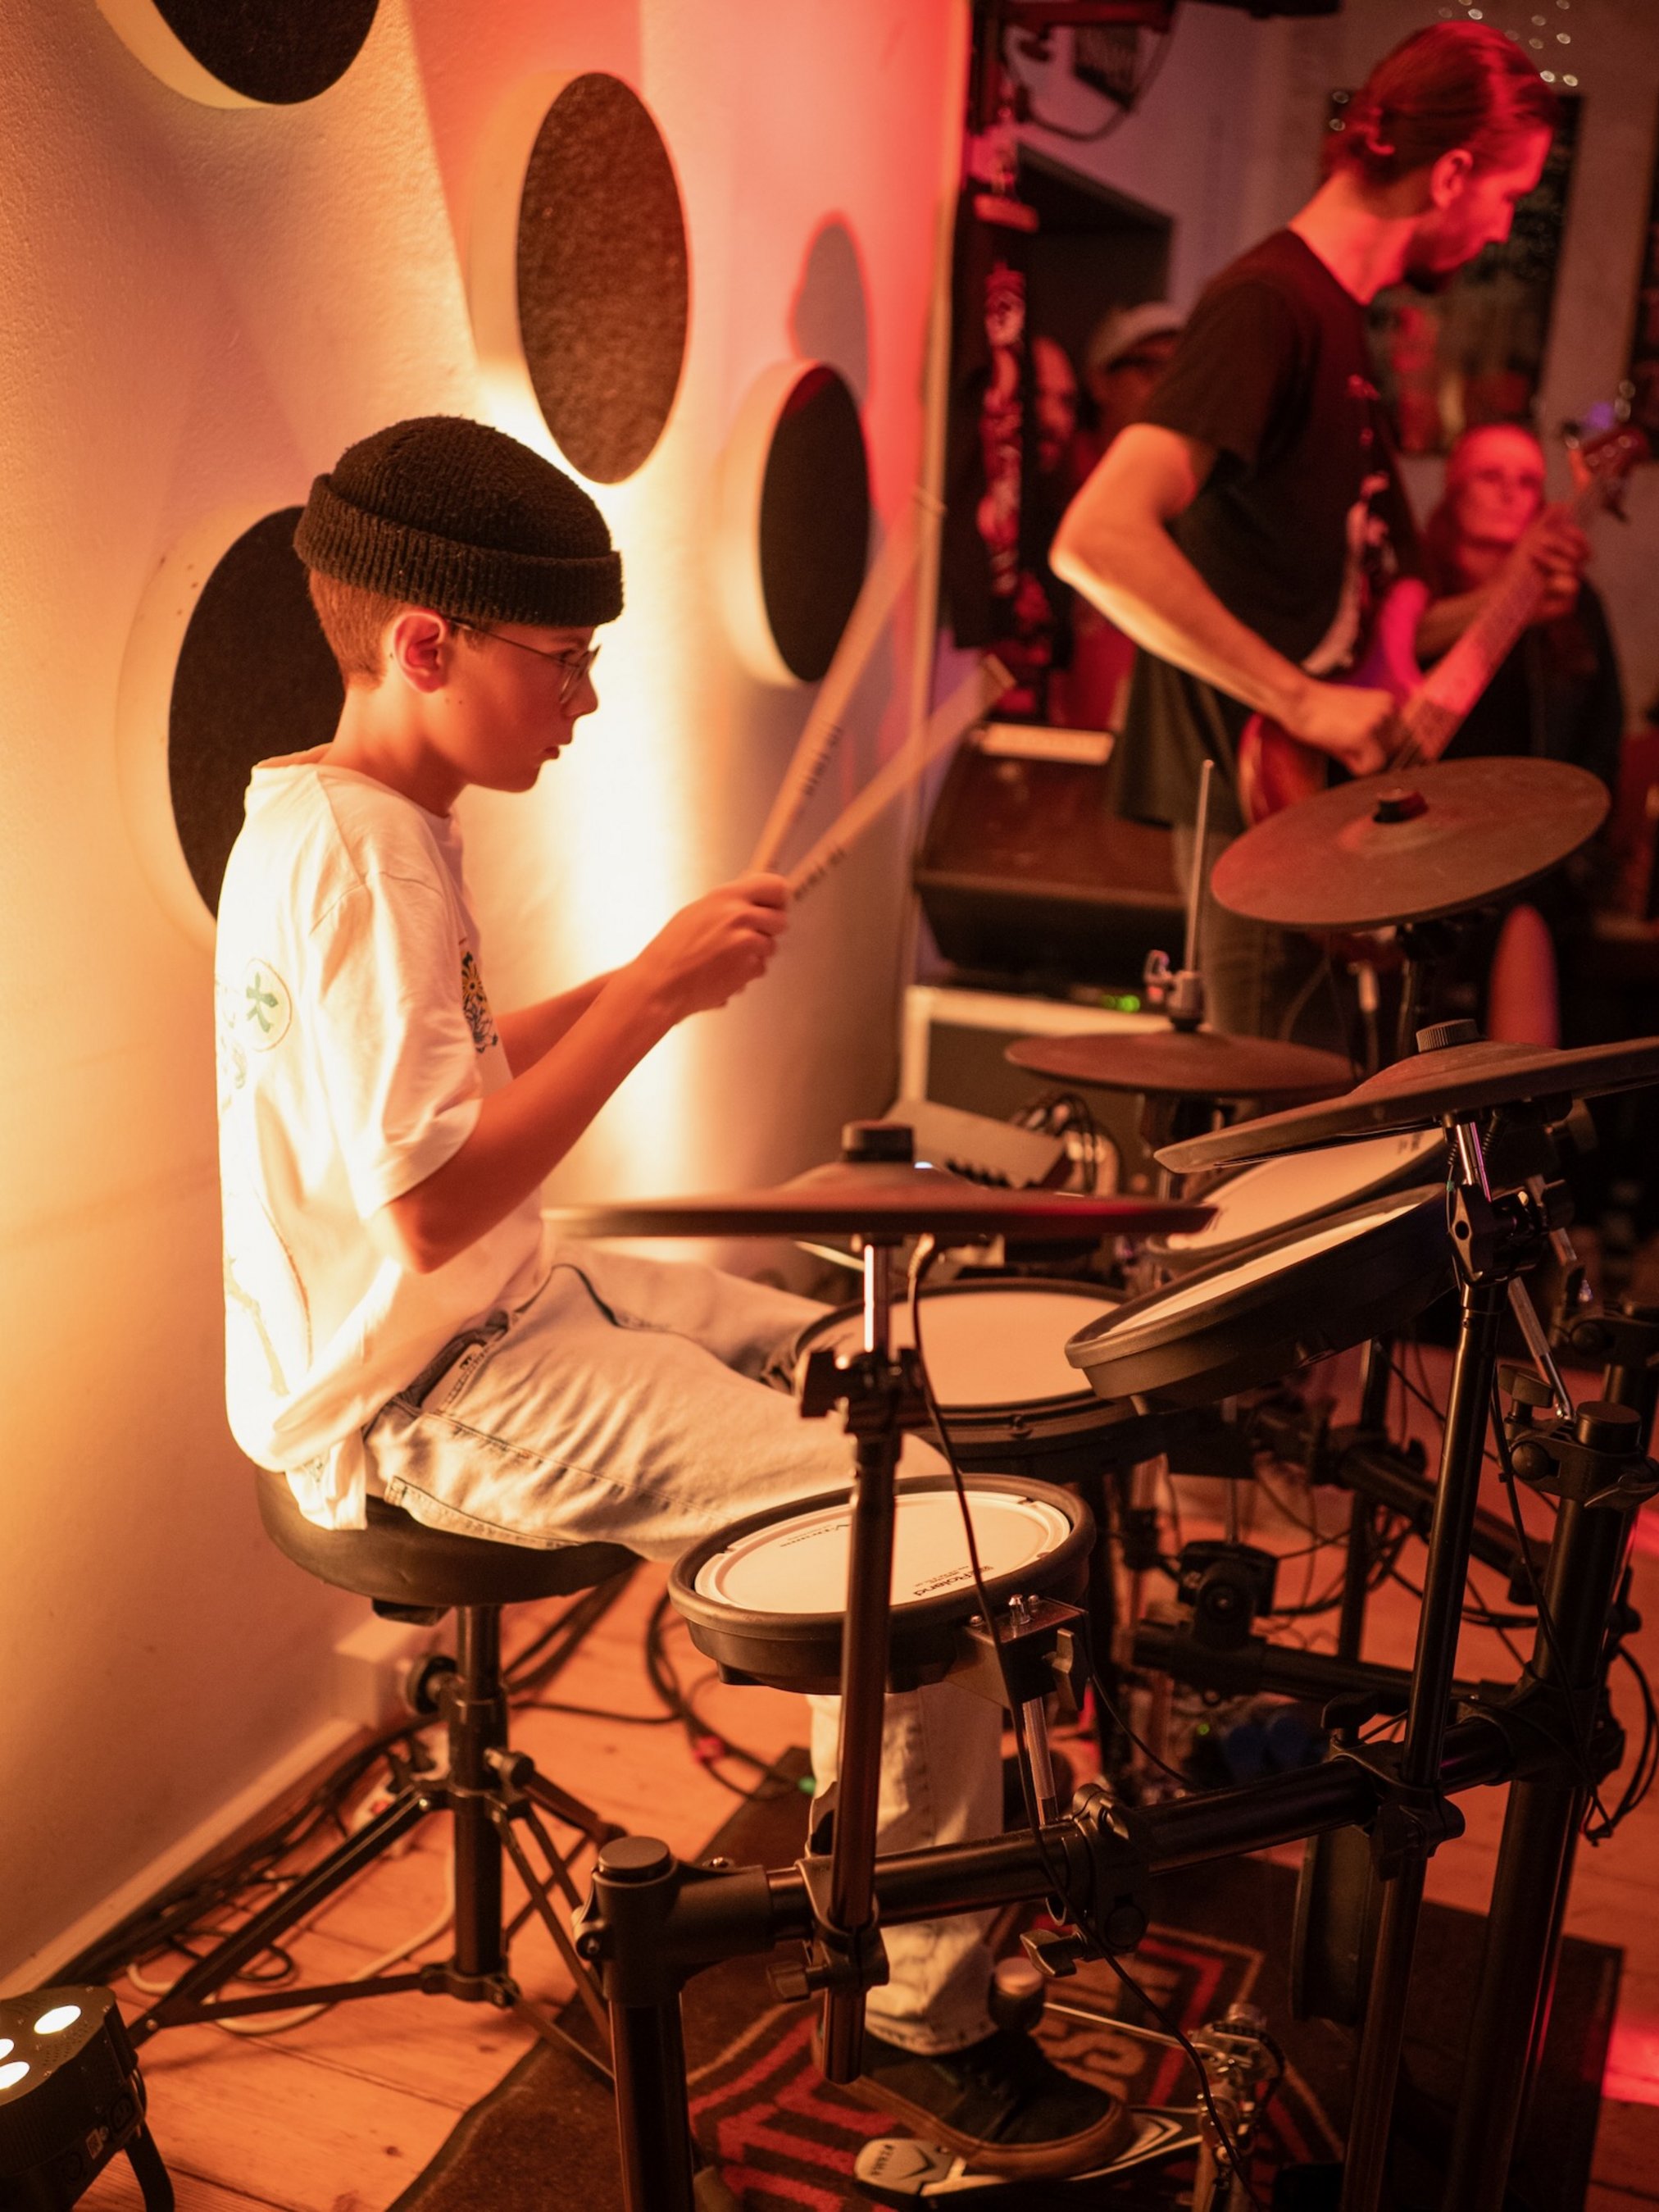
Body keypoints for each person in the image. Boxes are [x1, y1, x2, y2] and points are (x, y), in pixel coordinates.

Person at [211, 415, 1129, 2177]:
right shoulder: (371, 854)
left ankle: (882, 1809)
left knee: (855, 1369)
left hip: (502, 1315)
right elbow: (429, 1204)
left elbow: (455, 1085)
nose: (585, 698)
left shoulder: (331, 813)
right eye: (560, 659)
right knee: (899, 1529)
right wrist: (643, 1004)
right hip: (425, 1390)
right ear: (426, 644)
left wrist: (647, 974)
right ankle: (923, 2012)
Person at [1051, 23, 1588, 1044]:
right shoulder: (1268, 306)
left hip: (1312, 817)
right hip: (1255, 802)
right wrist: (1300, 701)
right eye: (1508, 197)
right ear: (1450, 175)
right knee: (1273, 1127)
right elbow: (1097, 538)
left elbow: (1346, 629)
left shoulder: (1339, 323)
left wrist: (1505, 599)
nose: (1500, 229)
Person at [1420, 421, 1625, 1044]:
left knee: (1522, 910)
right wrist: (1507, 592)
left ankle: (1522, 1099)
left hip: (1527, 851)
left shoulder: (1574, 605)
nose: (1512, 492)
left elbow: (1600, 738)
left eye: (1529, 480)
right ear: (1454, 488)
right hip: (1420, 843)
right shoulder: (1413, 590)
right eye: (1491, 476)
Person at [1055, 303, 1184, 733]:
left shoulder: (1189, 494)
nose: (1168, 387)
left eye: (1180, 372)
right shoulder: (1062, 477)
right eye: (1151, 368)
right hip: (1064, 735)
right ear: (1099, 381)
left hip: (1146, 731)